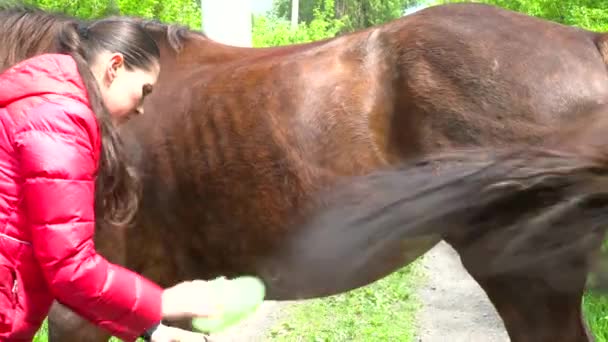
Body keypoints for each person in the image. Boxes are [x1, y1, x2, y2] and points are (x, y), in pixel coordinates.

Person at [0, 18, 219, 342]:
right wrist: (165, 302)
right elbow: (70, 269)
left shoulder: (47, 105)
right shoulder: (59, 121)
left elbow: (55, 256)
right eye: (144, 90)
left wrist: (152, 329)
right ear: (114, 67)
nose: (143, 109)